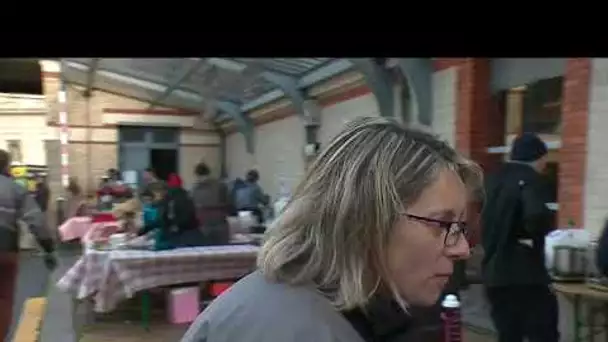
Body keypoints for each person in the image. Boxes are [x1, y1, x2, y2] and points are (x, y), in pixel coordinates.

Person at [180, 116, 480, 342]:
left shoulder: (315, 303)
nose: (462, 248)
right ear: (366, 220)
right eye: (443, 224)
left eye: (461, 227)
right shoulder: (296, 330)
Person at [481, 132, 558, 342]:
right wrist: (537, 236)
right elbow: (536, 218)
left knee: (508, 335)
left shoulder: (494, 179)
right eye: (544, 159)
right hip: (525, 277)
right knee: (544, 333)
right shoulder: (531, 180)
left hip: (493, 275)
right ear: (538, 157)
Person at [0, 149, 57, 340]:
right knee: (3, 299)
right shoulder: (15, 189)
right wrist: (48, 249)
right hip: (5, 248)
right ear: (6, 166)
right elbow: (36, 221)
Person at [190, 162, 231, 245]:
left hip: (203, 226)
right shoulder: (221, 186)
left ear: (197, 174)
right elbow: (229, 203)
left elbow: (192, 208)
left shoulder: (194, 190)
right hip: (220, 225)